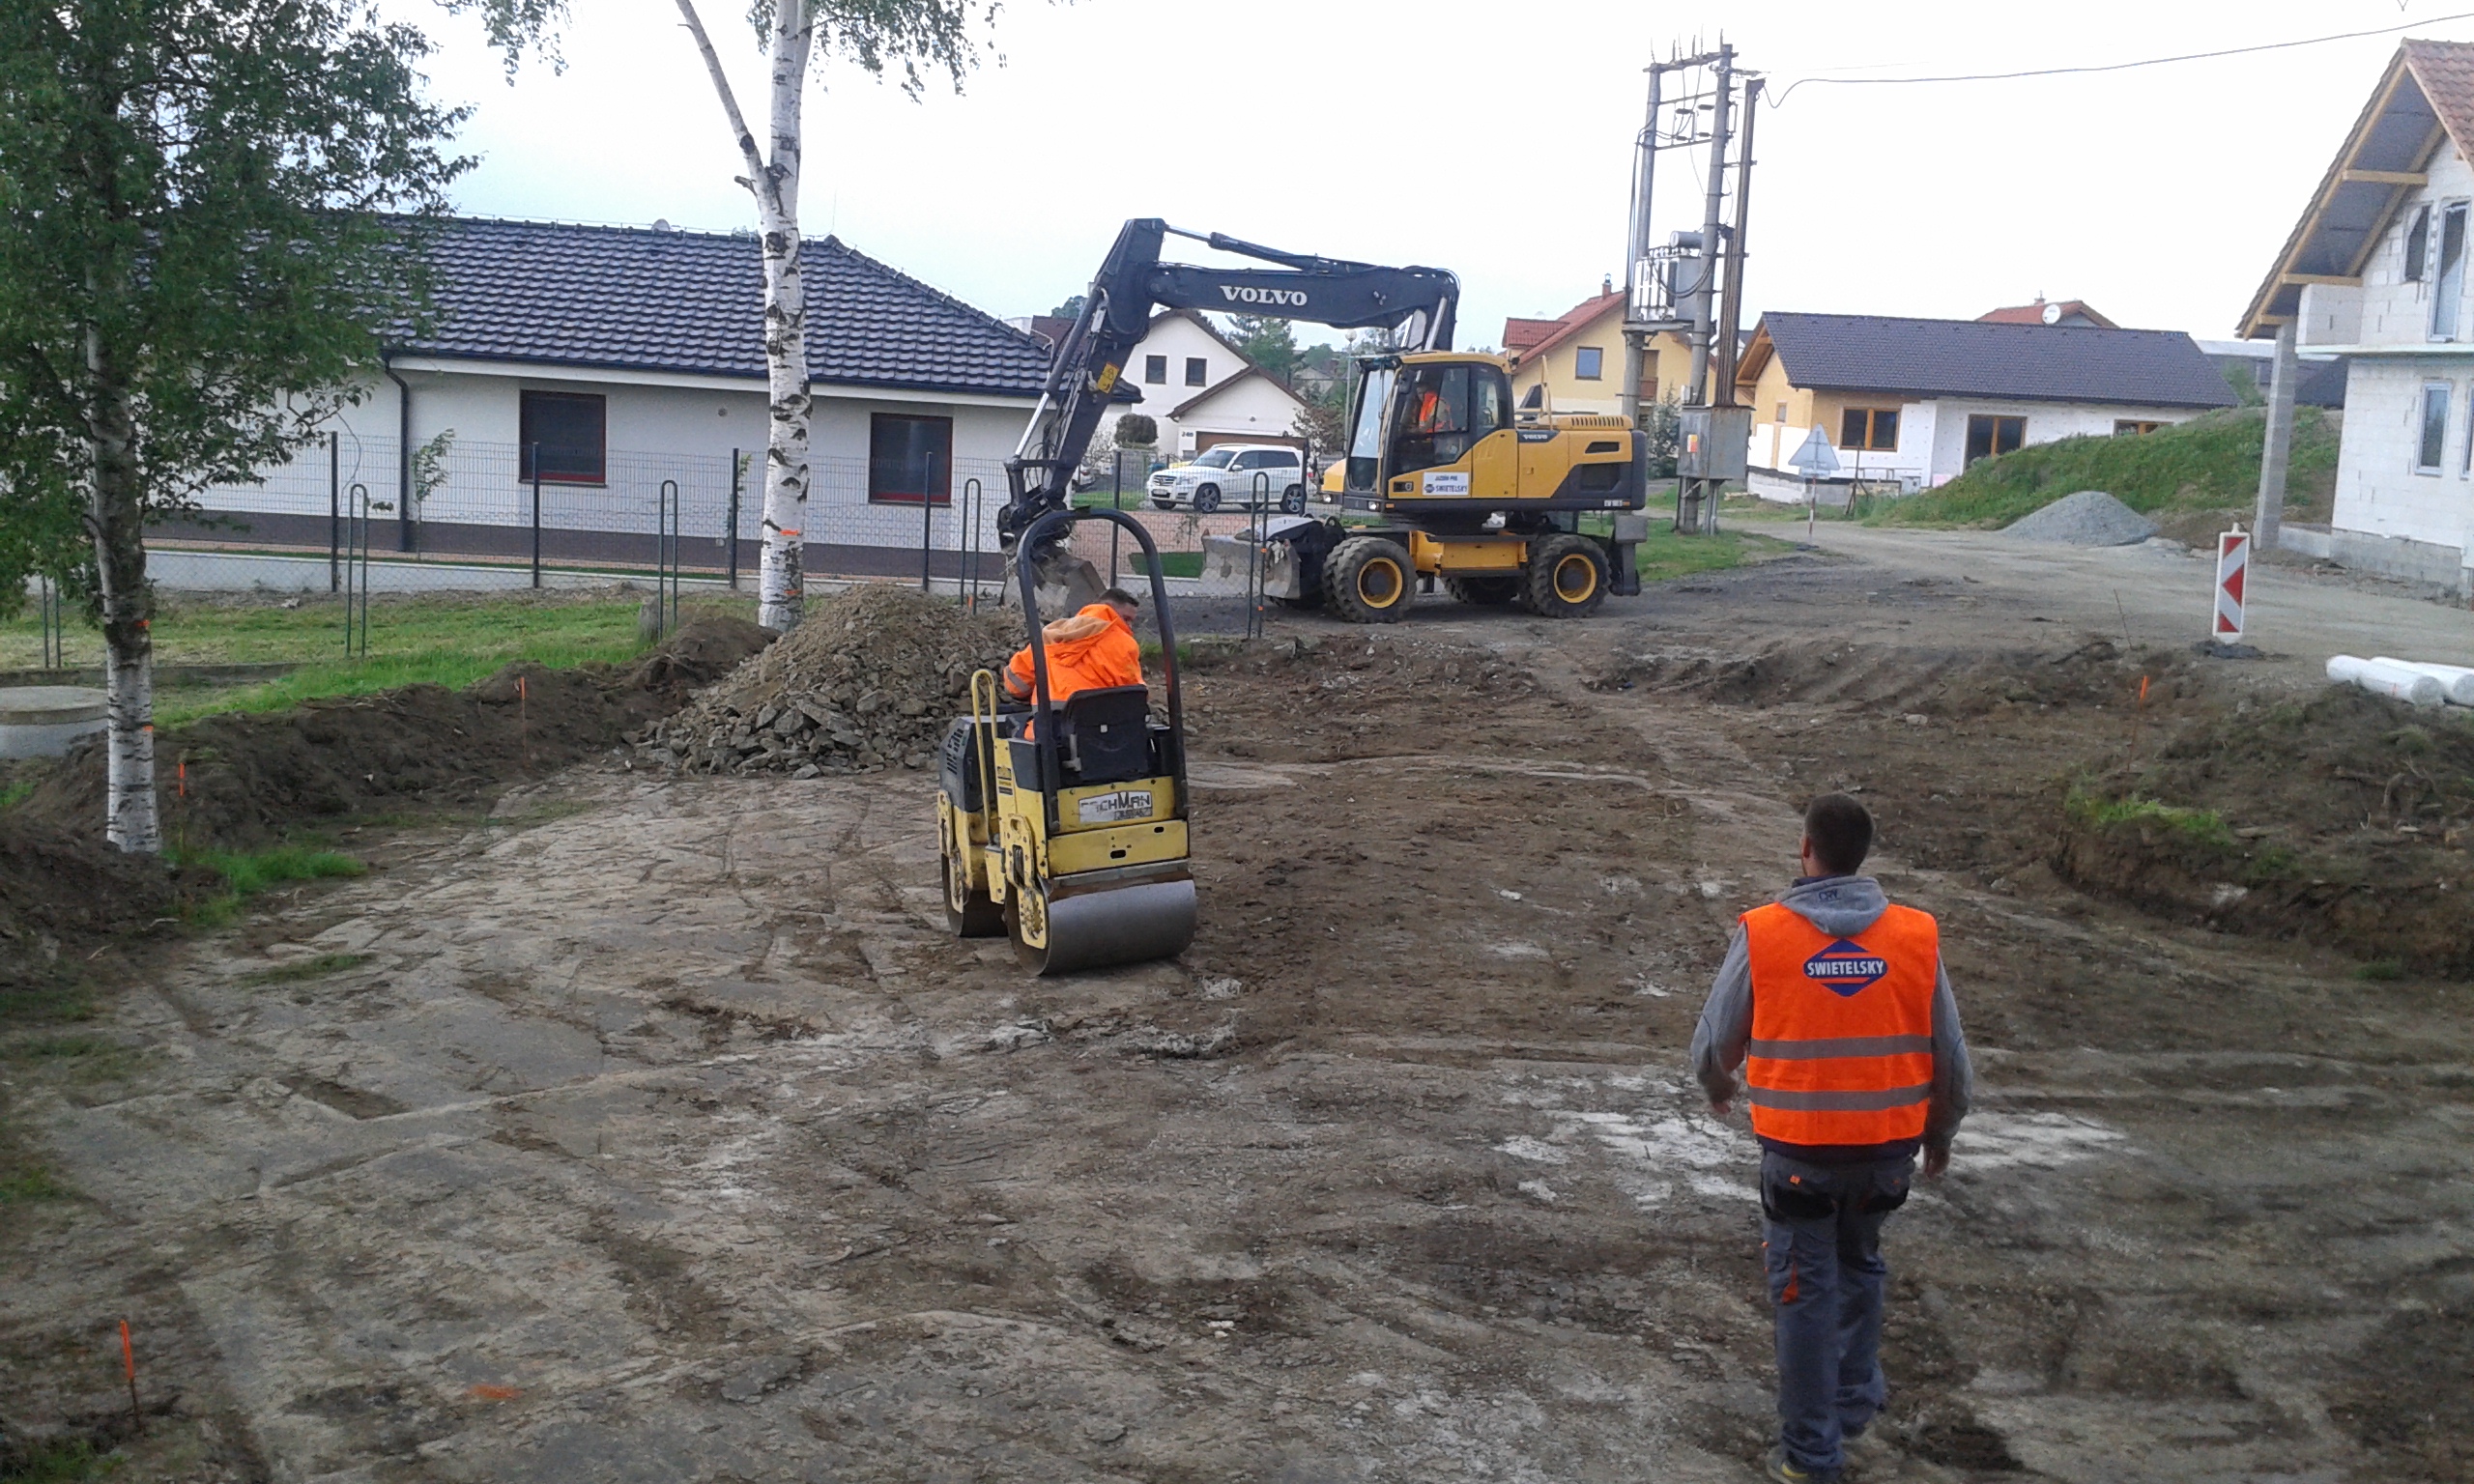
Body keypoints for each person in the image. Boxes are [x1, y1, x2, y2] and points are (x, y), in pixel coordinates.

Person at [1689, 792, 1974, 1484]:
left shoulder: (1765, 932)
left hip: (1800, 1162)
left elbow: (1714, 1044)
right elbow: (1953, 1058)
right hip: (1885, 1158)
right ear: (1863, 854)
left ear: (1804, 848)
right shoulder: (1914, 936)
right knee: (1861, 1266)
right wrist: (1940, 1132)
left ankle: (1811, 1457)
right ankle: (1851, 1404)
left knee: (1804, 1295)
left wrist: (1720, 1089)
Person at [1003, 586, 1144, 721]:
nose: (1129, 627)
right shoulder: (1125, 644)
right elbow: (1135, 696)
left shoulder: (1053, 635)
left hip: (1052, 732)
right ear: (1107, 607)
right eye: (1125, 619)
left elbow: (1016, 686)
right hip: (1104, 732)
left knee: (1016, 728)